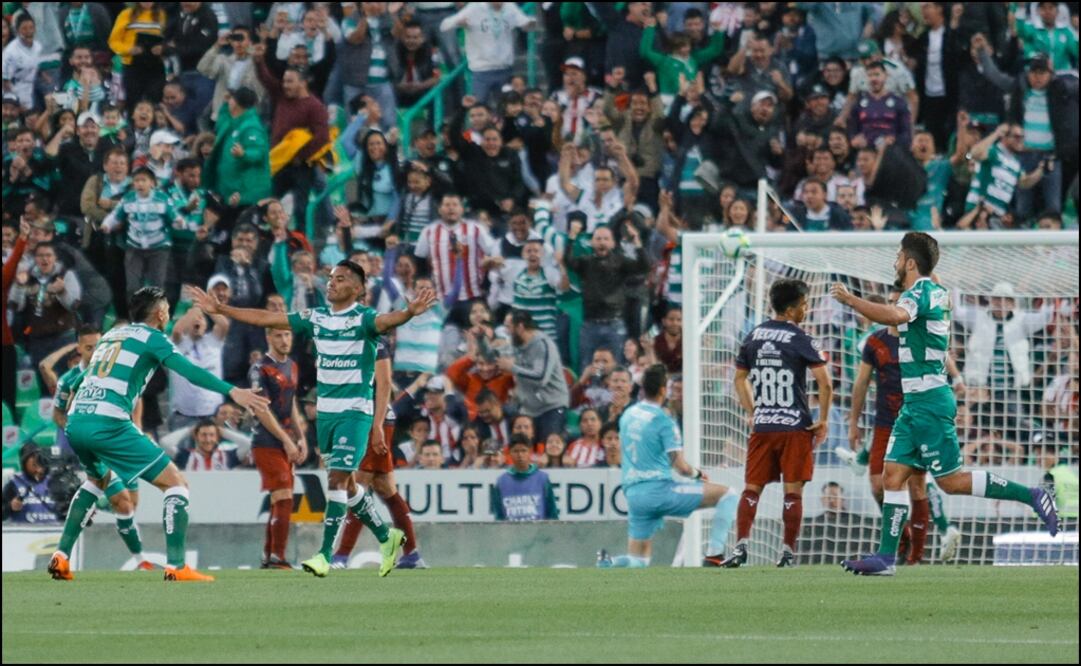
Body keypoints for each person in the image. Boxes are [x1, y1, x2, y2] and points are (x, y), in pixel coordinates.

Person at [830, 232, 1059, 576]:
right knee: (893, 475)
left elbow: (894, 316)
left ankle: (1032, 496)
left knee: (950, 482)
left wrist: (851, 300)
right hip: (914, 403)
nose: (894, 262)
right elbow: (925, 285)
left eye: (898, 256)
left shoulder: (919, 293)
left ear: (910, 263)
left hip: (930, 401)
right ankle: (886, 558)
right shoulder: (935, 289)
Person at [190, 261, 438, 578]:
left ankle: (324, 555)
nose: (332, 283)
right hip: (326, 414)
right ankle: (385, 535)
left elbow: (388, 322)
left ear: (358, 289)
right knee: (348, 484)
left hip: (355, 413)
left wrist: (409, 313)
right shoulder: (316, 317)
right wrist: (221, 309)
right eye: (331, 278)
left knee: (336, 480)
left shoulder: (365, 319)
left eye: (341, 279)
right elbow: (266, 318)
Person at [48, 286, 270, 583]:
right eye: (166, 309)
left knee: (95, 482)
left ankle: (61, 556)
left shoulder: (112, 336)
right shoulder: (153, 338)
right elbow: (189, 371)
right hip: (108, 422)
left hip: (77, 421)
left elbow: (80, 381)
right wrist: (233, 391)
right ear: (161, 313)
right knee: (176, 484)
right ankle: (177, 566)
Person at [842, 289, 962, 565]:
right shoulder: (875, 342)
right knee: (877, 486)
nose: (894, 305)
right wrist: (853, 422)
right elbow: (861, 383)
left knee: (918, 486)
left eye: (899, 301)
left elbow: (942, 355)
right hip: (885, 423)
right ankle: (903, 536)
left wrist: (957, 378)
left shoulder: (919, 334)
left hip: (917, 421)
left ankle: (915, 557)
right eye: (891, 301)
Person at [721, 279, 833, 569]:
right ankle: (787, 552)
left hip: (764, 427)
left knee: (752, 489)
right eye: (804, 305)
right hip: (795, 427)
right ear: (792, 309)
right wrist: (822, 420)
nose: (806, 310)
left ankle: (741, 546)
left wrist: (754, 411)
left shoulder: (753, 336)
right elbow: (825, 384)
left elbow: (739, 379)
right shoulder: (801, 338)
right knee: (792, 492)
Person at [598, 364, 739, 569]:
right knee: (728, 495)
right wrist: (697, 474)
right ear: (663, 390)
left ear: (643, 387)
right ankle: (714, 555)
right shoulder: (663, 421)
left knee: (639, 561)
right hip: (659, 491)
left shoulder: (628, 414)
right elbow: (680, 467)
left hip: (634, 494)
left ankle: (609, 563)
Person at [48, 323, 152, 568]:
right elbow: (57, 414)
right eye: (88, 347)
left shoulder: (117, 370)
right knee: (120, 499)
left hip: (120, 442)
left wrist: (137, 426)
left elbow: (136, 398)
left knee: (129, 504)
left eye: (98, 345)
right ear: (79, 348)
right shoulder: (68, 381)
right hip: (93, 446)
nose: (95, 352)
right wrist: (77, 430)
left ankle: (96, 504)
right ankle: (141, 561)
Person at [333, 338, 425, 570]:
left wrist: (376, 425)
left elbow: (383, 384)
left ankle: (342, 556)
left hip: (374, 418)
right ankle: (412, 554)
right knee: (385, 488)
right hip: (366, 417)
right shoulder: (352, 339)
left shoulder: (373, 342)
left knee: (359, 486)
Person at [248, 326, 306, 570]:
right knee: (283, 495)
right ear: (268, 337)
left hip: (285, 439)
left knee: (280, 498)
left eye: (287, 335)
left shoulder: (292, 365)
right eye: (279, 335)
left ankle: (269, 555)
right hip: (266, 440)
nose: (284, 340)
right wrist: (286, 439)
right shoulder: (260, 369)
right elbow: (261, 409)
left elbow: (291, 403)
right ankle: (277, 557)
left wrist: (301, 437)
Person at [101, 166, 183, 302]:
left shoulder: (162, 199)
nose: (140, 184)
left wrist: (179, 222)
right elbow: (115, 215)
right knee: (132, 286)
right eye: (136, 181)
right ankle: (136, 313)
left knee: (157, 286)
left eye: (143, 180)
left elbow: (175, 216)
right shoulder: (128, 199)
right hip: (134, 247)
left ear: (152, 183)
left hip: (159, 247)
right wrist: (107, 224)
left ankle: (157, 313)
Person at [498, 310, 569, 444]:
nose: (506, 331)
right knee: (524, 448)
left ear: (520, 327)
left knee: (548, 448)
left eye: (508, 327)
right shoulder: (515, 344)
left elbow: (541, 378)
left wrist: (513, 368)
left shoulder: (543, 345)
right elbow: (494, 358)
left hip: (551, 407)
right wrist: (480, 339)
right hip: (529, 409)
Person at [491, 435, 559, 521]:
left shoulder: (542, 478)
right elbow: (498, 516)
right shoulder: (501, 481)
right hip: (510, 529)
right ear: (509, 453)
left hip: (538, 529)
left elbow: (552, 513)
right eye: (516, 451)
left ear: (530, 452)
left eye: (523, 451)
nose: (520, 455)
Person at [3, 445, 62, 524]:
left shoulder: (55, 482)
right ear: (24, 464)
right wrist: (10, 507)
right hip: (25, 530)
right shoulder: (14, 483)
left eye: (40, 463)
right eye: (34, 465)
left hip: (54, 529)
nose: (38, 469)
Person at [173, 420, 241, 470]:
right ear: (196, 436)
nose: (208, 440)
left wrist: (224, 431)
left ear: (217, 437)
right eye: (203, 435)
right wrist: (189, 430)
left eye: (212, 435)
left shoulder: (228, 456)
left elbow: (246, 445)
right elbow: (167, 445)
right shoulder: (185, 456)